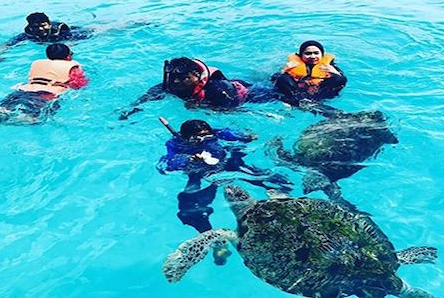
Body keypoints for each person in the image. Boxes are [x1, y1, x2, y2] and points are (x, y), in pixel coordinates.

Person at [156, 119, 291, 264]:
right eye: (197, 137)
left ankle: (287, 194)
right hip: (197, 172)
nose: (203, 139)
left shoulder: (215, 132)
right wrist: (187, 159)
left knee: (267, 179)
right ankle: (216, 243)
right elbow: (167, 165)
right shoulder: (175, 143)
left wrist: (246, 137)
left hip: (226, 164)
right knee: (188, 209)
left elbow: (235, 135)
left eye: (206, 136)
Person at [119, 57, 274, 120]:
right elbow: (147, 98)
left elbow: (232, 111)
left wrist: (203, 108)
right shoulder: (170, 84)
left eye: (183, 78)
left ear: (196, 76)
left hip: (250, 94)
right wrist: (130, 111)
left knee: (272, 89)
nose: (177, 82)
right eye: (174, 78)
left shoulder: (218, 89)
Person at [0, 43, 88, 124]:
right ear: (68, 56)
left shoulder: (37, 63)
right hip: (48, 92)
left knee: (5, 107)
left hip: (25, 89)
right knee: (34, 117)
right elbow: (78, 84)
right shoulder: (72, 66)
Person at [274, 40, 347, 105]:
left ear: (322, 54)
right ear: (301, 55)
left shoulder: (329, 67)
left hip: (320, 93)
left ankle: (309, 103)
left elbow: (342, 81)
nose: (312, 56)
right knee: (283, 78)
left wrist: (335, 72)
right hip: (296, 91)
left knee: (339, 78)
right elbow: (274, 80)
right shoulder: (292, 65)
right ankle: (298, 101)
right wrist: (283, 70)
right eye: (308, 53)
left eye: (316, 53)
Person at [1, 12, 92, 50]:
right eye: (36, 27)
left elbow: (74, 42)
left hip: (78, 32)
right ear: (31, 27)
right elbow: (7, 45)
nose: (40, 29)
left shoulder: (62, 33)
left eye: (43, 25)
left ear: (49, 24)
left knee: (93, 31)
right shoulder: (27, 35)